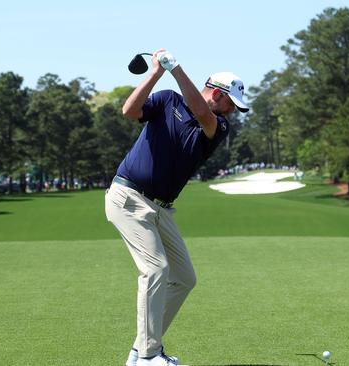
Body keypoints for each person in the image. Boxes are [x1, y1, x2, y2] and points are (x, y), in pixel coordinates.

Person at [105, 49, 249, 366]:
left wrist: (177, 68)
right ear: (217, 93)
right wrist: (156, 72)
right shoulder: (168, 99)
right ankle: (148, 355)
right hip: (128, 197)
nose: (233, 112)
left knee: (184, 277)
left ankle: (139, 350)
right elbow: (129, 111)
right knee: (155, 269)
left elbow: (203, 114)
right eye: (231, 104)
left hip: (160, 209)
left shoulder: (218, 126)